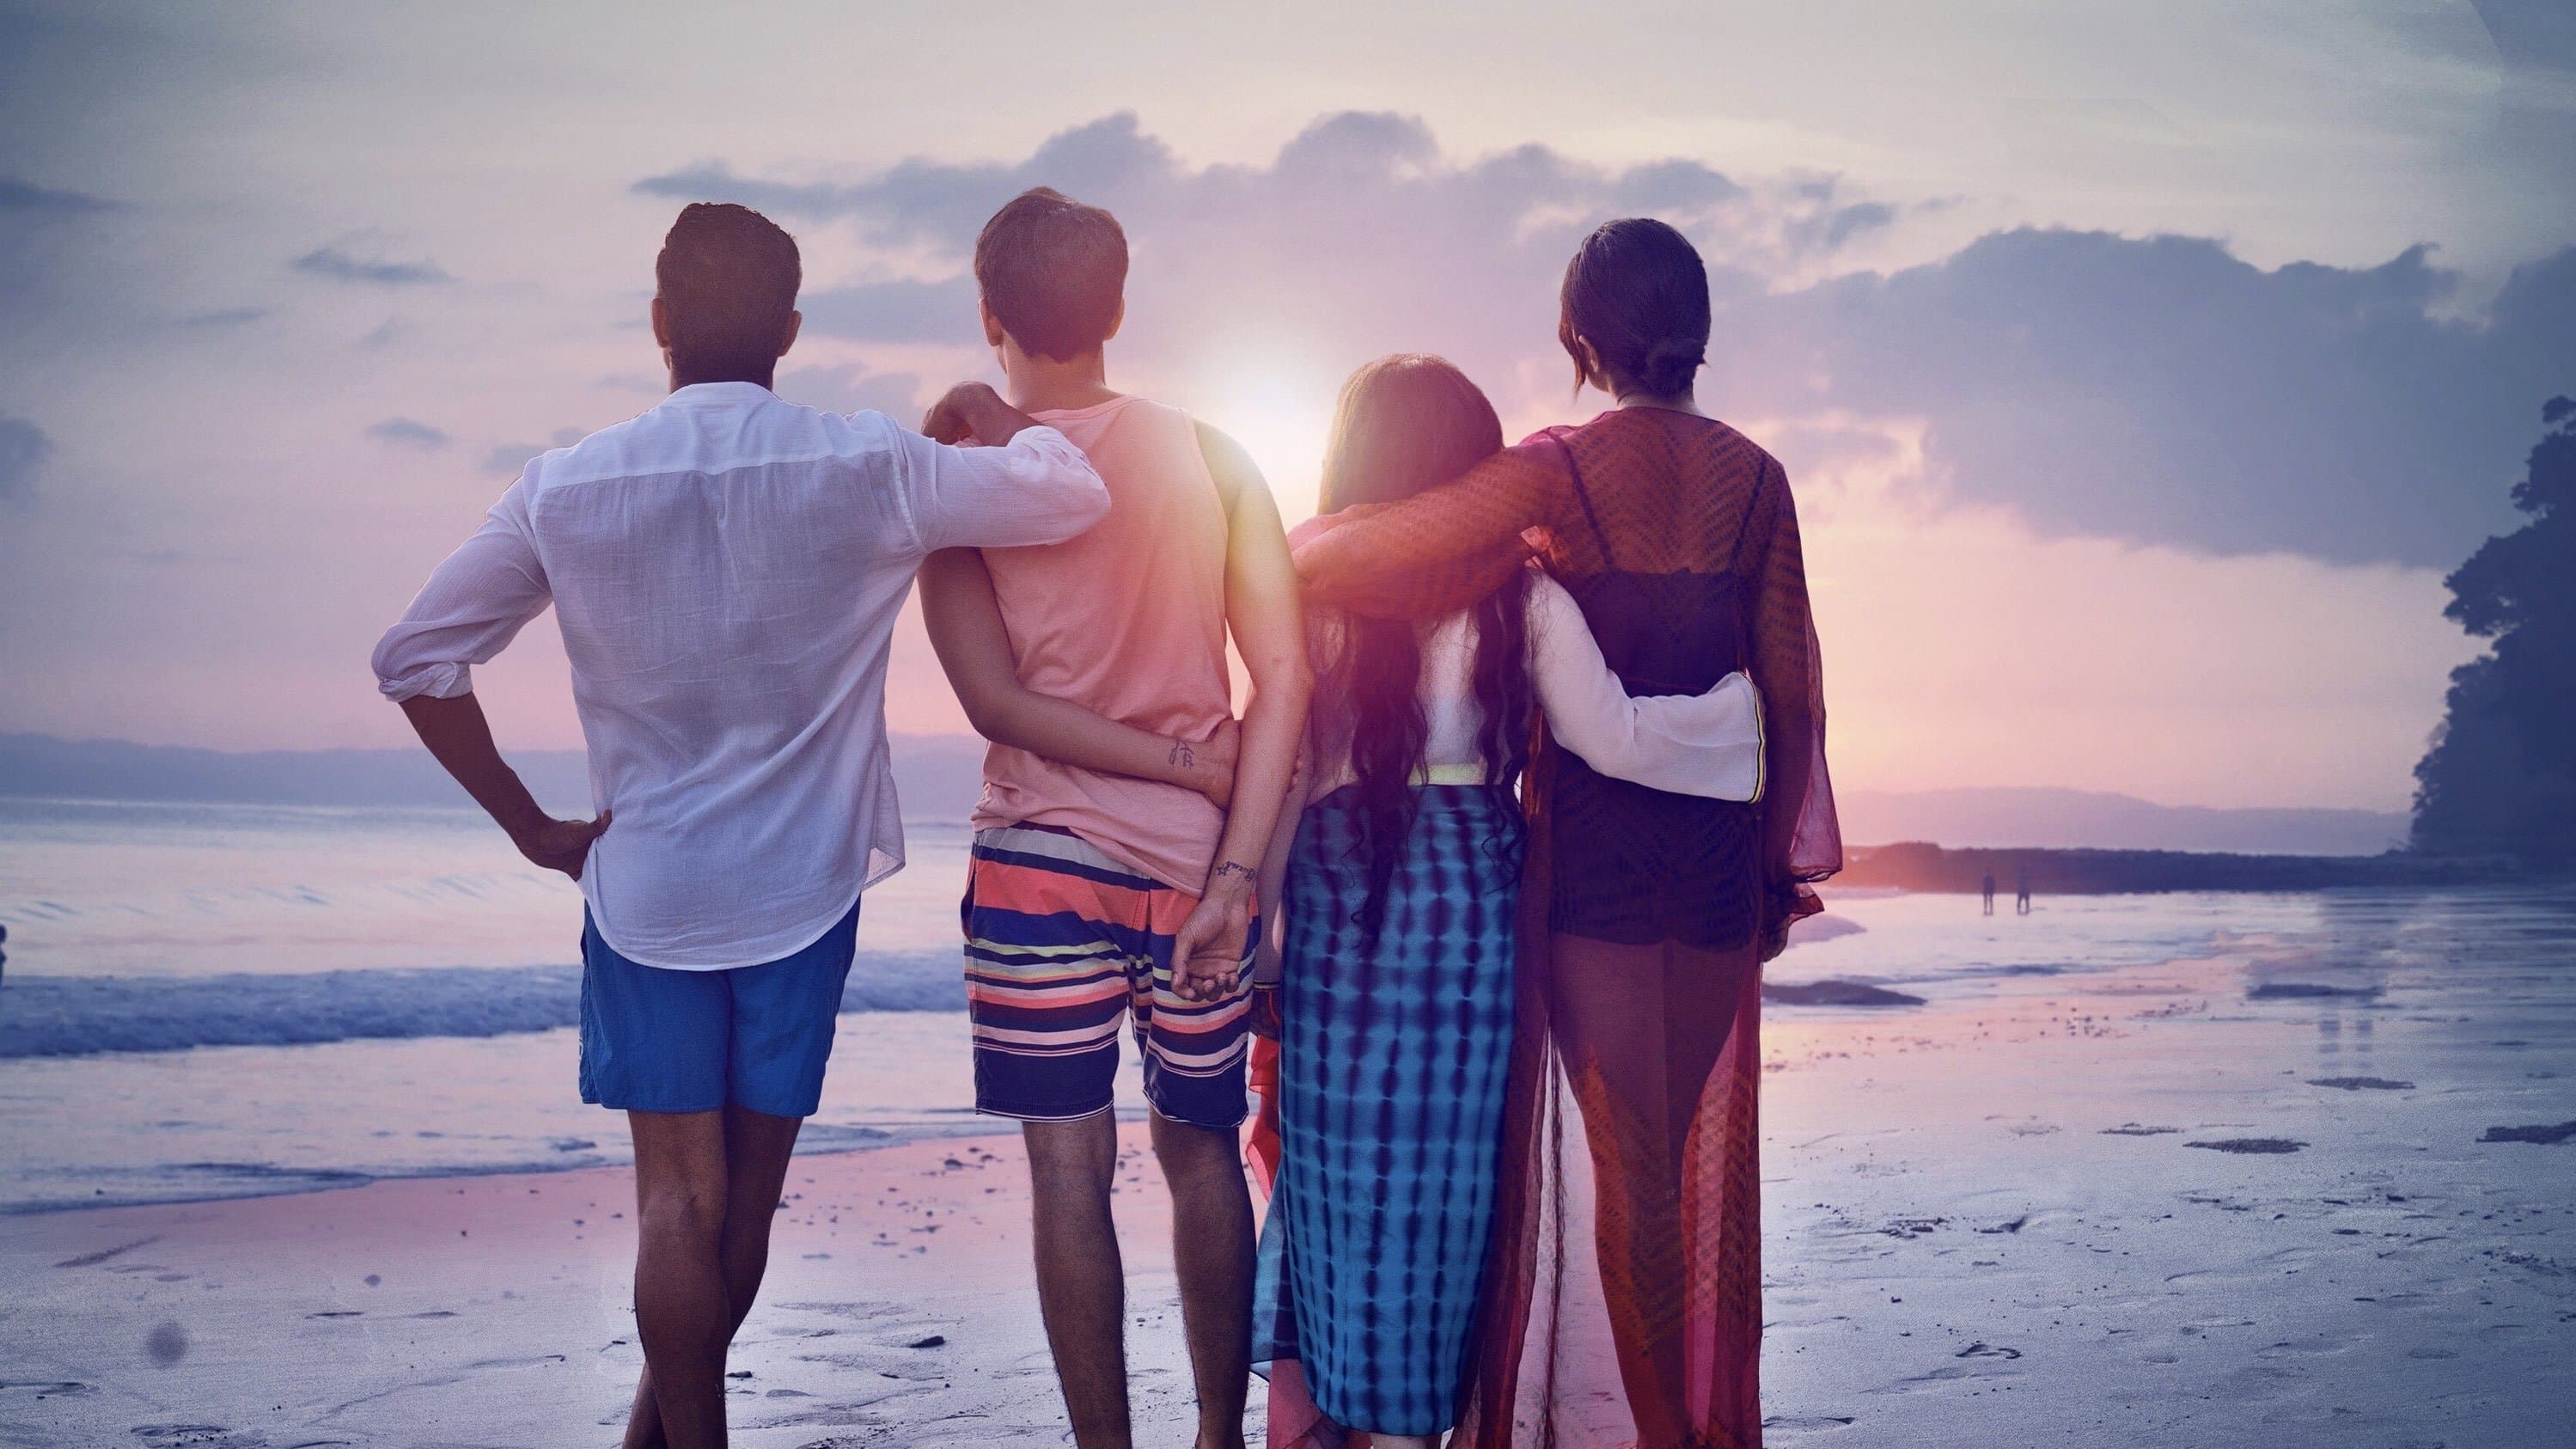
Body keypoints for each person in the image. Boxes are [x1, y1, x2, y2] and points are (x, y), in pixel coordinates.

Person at [369, 202, 1110, 1449]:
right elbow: (1071, 491)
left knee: (676, 1205)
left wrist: (530, 826)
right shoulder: (865, 464)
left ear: (660, 324)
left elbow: (414, 659)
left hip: (648, 892)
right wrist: (987, 409)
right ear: (790, 330)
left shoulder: (566, 485)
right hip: (802, 891)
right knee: (745, 1208)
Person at [1292, 217, 1840, 1448]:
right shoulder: (1759, 480)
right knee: (1680, 1165)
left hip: (1594, 866)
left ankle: (1662, 1432)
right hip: (1715, 865)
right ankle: (1681, 1428)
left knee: (1633, 1174)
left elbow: (1377, 546)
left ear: (1580, 343)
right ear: (1699, 330)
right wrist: (1771, 875)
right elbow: (1794, 694)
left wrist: (1280, 546)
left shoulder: (1557, 468)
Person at [915, 187, 1309, 1449]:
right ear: (1118, 310)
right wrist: (1236, 864)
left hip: (1035, 861)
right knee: (1201, 1150)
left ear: (990, 315)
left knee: (1067, 1169)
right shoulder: (1217, 455)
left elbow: (994, 702)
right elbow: (1286, 678)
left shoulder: (961, 481)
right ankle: (1219, 1437)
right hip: (1194, 873)